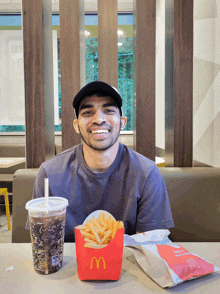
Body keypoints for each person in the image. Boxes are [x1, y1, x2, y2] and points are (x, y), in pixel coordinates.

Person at [26, 80, 174, 242]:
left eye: (109, 110)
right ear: (76, 125)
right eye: (88, 112)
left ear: (123, 122)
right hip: (69, 265)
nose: (98, 119)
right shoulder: (50, 173)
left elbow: (151, 245)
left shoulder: (147, 173)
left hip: (125, 264)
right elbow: (42, 243)